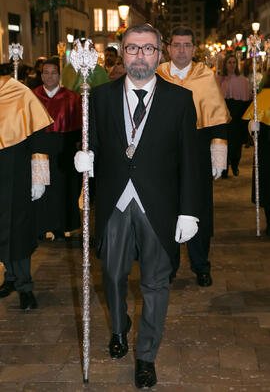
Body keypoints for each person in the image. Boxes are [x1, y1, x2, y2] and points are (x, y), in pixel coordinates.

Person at [74, 23, 199, 389]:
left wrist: (188, 210)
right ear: (122, 52)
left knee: (156, 284)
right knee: (111, 275)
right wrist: (85, 158)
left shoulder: (180, 100)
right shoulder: (99, 96)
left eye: (147, 49)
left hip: (158, 205)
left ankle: (146, 356)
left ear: (159, 54)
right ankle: (119, 326)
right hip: (115, 201)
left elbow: (190, 159)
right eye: (132, 49)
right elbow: (91, 141)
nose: (139, 56)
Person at [157, 26, 230, 287]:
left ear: (194, 48)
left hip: (197, 155)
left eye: (187, 45)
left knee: (197, 210)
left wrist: (218, 157)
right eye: (176, 45)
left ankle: (201, 265)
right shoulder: (158, 75)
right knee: (166, 211)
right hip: (163, 157)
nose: (181, 50)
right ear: (168, 48)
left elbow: (218, 122)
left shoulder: (204, 77)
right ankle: (169, 265)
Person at [0, 74, 53, 309]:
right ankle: (10, 276)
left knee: (17, 231)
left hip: (15, 175)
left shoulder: (17, 91)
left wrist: (39, 178)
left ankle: (24, 286)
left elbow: (39, 138)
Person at [33, 58, 82, 240]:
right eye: (46, 72)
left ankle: (61, 226)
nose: (49, 76)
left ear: (59, 75)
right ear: (41, 75)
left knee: (63, 189)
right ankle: (40, 226)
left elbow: (78, 128)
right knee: (41, 186)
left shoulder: (71, 98)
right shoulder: (33, 96)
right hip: (40, 148)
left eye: (53, 72)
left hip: (64, 148)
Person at [242, 70, 270, 235]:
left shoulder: (261, 97)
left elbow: (253, 126)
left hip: (265, 148)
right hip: (266, 148)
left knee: (266, 184)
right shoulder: (262, 97)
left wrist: (254, 129)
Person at [217, 54, 251, 178]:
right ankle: (224, 168)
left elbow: (246, 100)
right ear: (225, 64)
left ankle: (235, 164)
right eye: (229, 62)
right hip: (223, 114)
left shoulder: (243, 81)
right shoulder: (219, 79)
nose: (232, 65)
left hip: (237, 114)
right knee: (223, 142)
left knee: (236, 143)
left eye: (233, 63)